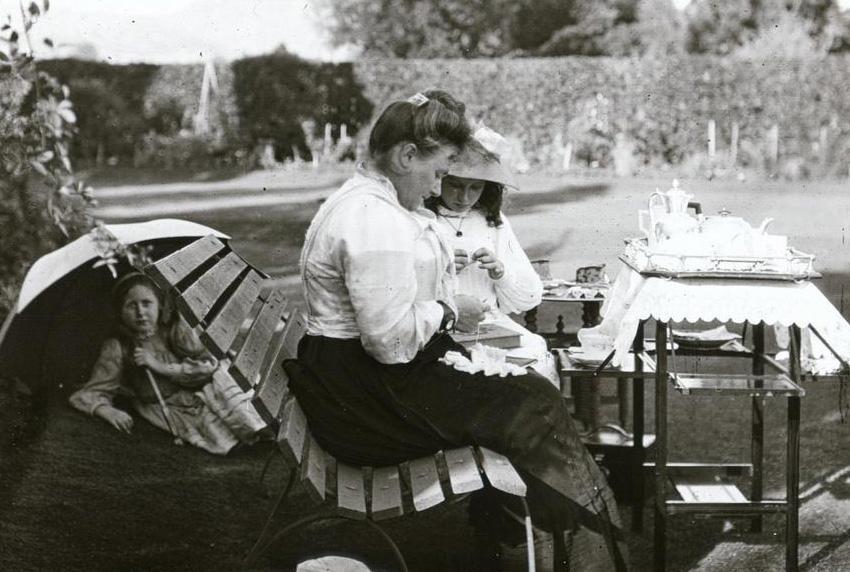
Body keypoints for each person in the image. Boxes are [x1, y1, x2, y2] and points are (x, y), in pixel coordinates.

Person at [292, 89, 627, 570]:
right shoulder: (372, 219)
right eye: (439, 169)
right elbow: (388, 341)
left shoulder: (368, 204)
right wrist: (448, 311)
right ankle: (586, 558)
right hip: (364, 399)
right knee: (535, 404)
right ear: (407, 155)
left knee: (530, 397)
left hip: (356, 383)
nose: (436, 187)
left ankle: (541, 546)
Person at [69, 272, 267, 455]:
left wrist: (157, 365)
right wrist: (106, 410)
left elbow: (207, 364)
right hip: (171, 405)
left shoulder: (173, 330)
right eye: (131, 306)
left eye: (147, 303)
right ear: (120, 312)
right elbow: (92, 391)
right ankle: (244, 441)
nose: (140, 312)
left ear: (159, 305)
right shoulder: (119, 346)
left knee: (224, 378)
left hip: (201, 386)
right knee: (222, 434)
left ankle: (259, 426)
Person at [426, 124, 559, 386]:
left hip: (490, 326)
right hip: (437, 326)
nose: (464, 197)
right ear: (439, 178)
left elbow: (530, 297)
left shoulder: (492, 222)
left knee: (532, 353)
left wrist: (501, 273)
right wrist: (441, 268)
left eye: (475, 188)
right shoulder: (424, 219)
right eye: (454, 185)